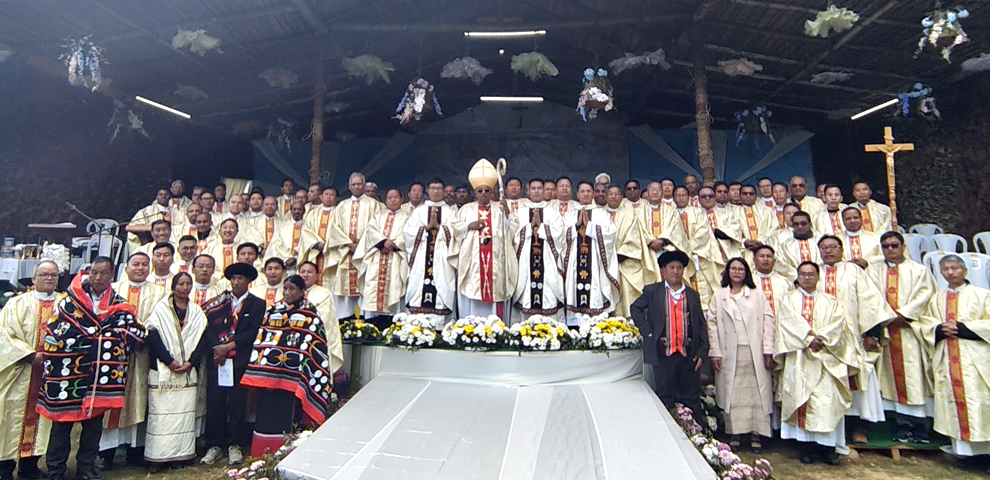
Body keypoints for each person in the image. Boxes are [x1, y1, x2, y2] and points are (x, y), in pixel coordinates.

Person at [38, 258, 145, 480]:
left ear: (111, 275)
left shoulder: (119, 303)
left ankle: (86, 467)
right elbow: (56, 332)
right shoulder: (70, 303)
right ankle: (56, 469)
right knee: (61, 424)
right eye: (94, 273)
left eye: (102, 274)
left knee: (93, 425)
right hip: (68, 375)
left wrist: (106, 338)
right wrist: (94, 339)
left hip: (100, 377)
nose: (97, 278)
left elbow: (135, 332)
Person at [240, 275, 343, 457]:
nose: (287, 293)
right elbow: (261, 340)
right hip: (268, 377)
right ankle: (260, 453)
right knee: (266, 415)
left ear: (302, 292)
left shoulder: (310, 315)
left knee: (286, 416)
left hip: (293, 379)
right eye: (285, 288)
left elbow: (314, 347)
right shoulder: (273, 311)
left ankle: (284, 453)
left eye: (292, 289)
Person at [776, 262, 858, 466]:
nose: (807, 278)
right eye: (803, 274)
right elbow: (788, 322)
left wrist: (821, 339)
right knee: (803, 400)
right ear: (798, 277)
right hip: (800, 358)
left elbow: (839, 325)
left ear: (818, 277)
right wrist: (807, 339)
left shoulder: (831, 301)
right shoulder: (788, 300)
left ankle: (828, 449)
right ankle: (807, 448)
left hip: (826, 359)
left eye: (811, 274)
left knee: (827, 402)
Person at [817, 235, 893, 444]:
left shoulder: (854, 272)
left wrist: (871, 333)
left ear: (842, 250)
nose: (829, 251)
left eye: (833, 247)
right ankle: (832, 426)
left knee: (858, 382)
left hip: (853, 339)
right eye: (824, 248)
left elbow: (871, 303)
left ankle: (858, 427)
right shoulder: (814, 273)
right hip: (825, 341)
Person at [866, 231, 937, 443]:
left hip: (910, 330)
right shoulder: (873, 271)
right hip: (886, 331)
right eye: (886, 246)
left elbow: (925, 296)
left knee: (915, 377)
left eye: (894, 245)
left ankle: (921, 425)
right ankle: (902, 423)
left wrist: (903, 315)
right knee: (890, 378)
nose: (890, 249)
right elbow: (870, 297)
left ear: (903, 247)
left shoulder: (919, 271)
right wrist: (885, 319)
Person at [98, 253, 167, 470]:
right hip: (112, 356)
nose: (140, 268)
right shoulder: (112, 290)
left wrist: (139, 336)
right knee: (110, 401)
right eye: (135, 264)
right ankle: (106, 453)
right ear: (126, 267)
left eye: (144, 264)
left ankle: (135, 450)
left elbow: (158, 320)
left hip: (141, 354)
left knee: (138, 399)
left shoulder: (160, 292)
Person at [919, 255, 990, 462]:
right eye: (945, 269)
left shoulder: (982, 295)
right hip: (948, 355)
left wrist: (963, 328)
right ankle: (963, 452)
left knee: (978, 400)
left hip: (974, 356)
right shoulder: (937, 298)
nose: (950, 272)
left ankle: (985, 452)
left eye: (954, 268)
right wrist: (939, 328)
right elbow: (925, 323)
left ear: (965, 271)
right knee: (953, 400)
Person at [199, 264, 266, 466]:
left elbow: (254, 331)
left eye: (241, 279)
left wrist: (230, 345)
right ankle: (214, 445)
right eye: (234, 278)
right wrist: (218, 348)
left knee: (237, 402)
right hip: (217, 360)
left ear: (249, 281)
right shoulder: (218, 303)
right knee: (215, 401)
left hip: (240, 360)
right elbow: (207, 327)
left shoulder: (257, 304)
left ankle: (235, 444)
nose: (236, 282)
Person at [707, 258, 775, 452]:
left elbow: (768, 322)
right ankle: (735, 434)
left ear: (747, 273)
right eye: (733, 269)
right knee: (733, 394)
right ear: (727, 272)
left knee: (756, 395)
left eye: (741, 269)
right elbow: (712, 325)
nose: (737, 272)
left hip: (754, 351)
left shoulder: (757, 295)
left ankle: (756, 435)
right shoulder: (720, 296)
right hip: (729, 352)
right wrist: (715, 353)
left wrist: (768, 350)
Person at [630, 250, 708, 418]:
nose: (675, 271)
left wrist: (702, 351)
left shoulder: (692, 295)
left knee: (691, 398)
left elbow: (701, 325)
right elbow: (635, 308)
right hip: (663, 354)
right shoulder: (653, 291)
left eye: (679, 268)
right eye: (671, 267)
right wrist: (647, 331)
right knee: (665, 397)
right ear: (663, 271)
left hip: (688, 355)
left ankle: (696, 437)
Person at [142, 273, 207, 471]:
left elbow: (202, 341)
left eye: (189, 284)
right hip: (163, 371)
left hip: (187, 372)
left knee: (183, 416)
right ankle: (157, 458)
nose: (185, 287)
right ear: (173, 286)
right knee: (160, 417)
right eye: (181, 283)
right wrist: (169, 361)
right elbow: (152, 338)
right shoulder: (160, 310)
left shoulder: (197, 312)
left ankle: (180, 457)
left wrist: (191, 363)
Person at [0, 262, 59, 480]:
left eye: (53, 275)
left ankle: (30, 466)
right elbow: (3, 335)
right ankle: (4, 467)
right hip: (19, 371)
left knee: (43, 420)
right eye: (44, 274)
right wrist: (29, 355)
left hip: (51, 374)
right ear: (33, 279)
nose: (49, 278)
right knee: (9, 417)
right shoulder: (17, 304)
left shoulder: (65, 305)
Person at [314, 174, 382, 318]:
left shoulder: (375, 205)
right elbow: (334, 228)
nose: (356, 187)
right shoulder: (342, 206)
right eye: (354, 184)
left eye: (359, 184)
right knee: (344, 289)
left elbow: (377, 228)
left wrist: (361, 246)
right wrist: (349, 244)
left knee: (365, 285)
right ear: (350, 186)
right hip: (345, 252)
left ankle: (366, 322)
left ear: (364, 185)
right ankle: (346, 320)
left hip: (366, 253)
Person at [455, 165, 517, 319]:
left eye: (487, 190)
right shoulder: (466, 209)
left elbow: (513, 230)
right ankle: (471, 330)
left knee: (496, 296)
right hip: (474, 264)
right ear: (475, 192)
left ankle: (497, 331)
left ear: (492, 192)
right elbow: (454, 230)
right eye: (480, 190)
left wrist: (507, 214)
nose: (483, 194)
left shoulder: (500, 208)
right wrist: (470, 226)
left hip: (496, 264)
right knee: (473, 296)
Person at [510, 179, 566, 324]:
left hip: (547, 262)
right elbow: (512, 235)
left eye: (539, 188)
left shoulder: (552, 212)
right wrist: (530, 228)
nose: (536, 191)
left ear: (544, 190)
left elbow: (560, 234)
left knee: (548, 291)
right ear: (527, 191)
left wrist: (540, 228)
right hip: (525, 263)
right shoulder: (520, 213)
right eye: (533, 188)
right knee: (525, 291)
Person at [562, 182, 619, 325]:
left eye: (588, 191)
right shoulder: (568, 215)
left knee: (595, 291)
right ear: (577, 194)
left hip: (595, 264)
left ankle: (596, 325)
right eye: (583, 191)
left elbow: (611, 234)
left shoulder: (602, 214)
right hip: (575, 264)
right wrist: (576, 227)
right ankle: (574, 326)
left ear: (593, 194)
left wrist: (591, 227)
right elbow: (560, 237)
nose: (586, 194)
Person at [404, 179, 458, 328]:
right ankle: (416, 324)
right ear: (428, 191)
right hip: (422, 257)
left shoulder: (450, 212)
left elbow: (457, 234)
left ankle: (441, 325)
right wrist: (426, 228)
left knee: (442, 286)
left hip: (442, 258)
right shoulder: (419, 211)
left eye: (439, 188)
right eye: (433, 188)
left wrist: (440, 228)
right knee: (418, 285)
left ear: (443, 191)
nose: (435, 191)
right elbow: (407, 232)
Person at [354, 188, 410, 327]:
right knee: (373, 289)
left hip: (396, 257)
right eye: (390, 197)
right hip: (377, 256)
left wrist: (393, 244)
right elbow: (370, 231)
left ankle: (393, 325)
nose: (393, 200)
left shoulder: (408, 217)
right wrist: (383, 242)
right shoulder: (377, 215)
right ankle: (372, 326)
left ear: (402, 199)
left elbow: (409, 233)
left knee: (394, 288)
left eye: (396, 197)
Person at [605, 185, 654, 317]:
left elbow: (634, 238)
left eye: (617, 194)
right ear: (606, 196)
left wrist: (619, 254)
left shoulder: (630, 214)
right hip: (603, 264)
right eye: (610, 194)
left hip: (625, 261)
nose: (614, 197)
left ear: (622, 197)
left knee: (627, 296)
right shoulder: (599, 214)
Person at [673, 186, 718, 309]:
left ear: (689, 197)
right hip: (677, 257)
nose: (681, 198)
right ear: (674, 198)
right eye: (678, 195)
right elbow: (670, 234)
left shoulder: (697, 212)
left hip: (696, 255)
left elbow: (703, 233)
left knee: (701, 284)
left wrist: (687, 248)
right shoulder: (669, 214)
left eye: (684, 195)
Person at [636, 182, 688, 266]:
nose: (655, 192)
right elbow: (637, 230)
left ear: (662, 193)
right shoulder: (638, 211)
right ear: (648, 192)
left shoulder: (671, 211)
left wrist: (662, 242)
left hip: (667, 249)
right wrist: (651, 241)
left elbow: (675, 230)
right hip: (646, 251)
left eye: (658, 190)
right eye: (652, 189)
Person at [700, 186, 745, 267]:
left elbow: (735, 230)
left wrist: (715, 231)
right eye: (704, 196)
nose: (707, 198)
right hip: (705, 255)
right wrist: (712, 232)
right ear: (699, 199)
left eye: (710, 196)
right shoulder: (695, 215)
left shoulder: (727, 213)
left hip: (727, 252)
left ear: (714, 197)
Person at [774, 211, 822, 281]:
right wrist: (799, 277)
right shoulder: (785, 246)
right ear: (792, 226)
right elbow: (780, 265)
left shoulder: (820, 241)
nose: (800, 227)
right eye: (796, 224)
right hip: (795, 283)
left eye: (803, 224)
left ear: (810, 224)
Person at [265, 201, 307, 273]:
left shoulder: (308, 226)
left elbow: (308, 243)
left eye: (299, 209)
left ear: (304, 211)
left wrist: (296, 258)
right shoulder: (282, 226)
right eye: (294, 209)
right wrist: (286, 259)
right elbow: (276, 244)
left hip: (303, 262)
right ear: (291, 211)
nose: (296, 211)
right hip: (285, 263)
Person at [751, 245, 792, 316]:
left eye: (769, 256)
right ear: (754, 260)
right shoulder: (748, 281)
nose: (765, 259)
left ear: (774, 261)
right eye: (762, 256)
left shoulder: (785, 282)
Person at [735, 185, 775, 254]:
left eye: (751, 193)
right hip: (742, 252)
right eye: (745, 193)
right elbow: (731, 231)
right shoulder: (733, 212)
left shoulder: (767, 211)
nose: (748, 196)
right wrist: (744, 241)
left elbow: (774, 227)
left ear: (756, 196)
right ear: (740, 196)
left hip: (764, 249)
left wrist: (761, 242)